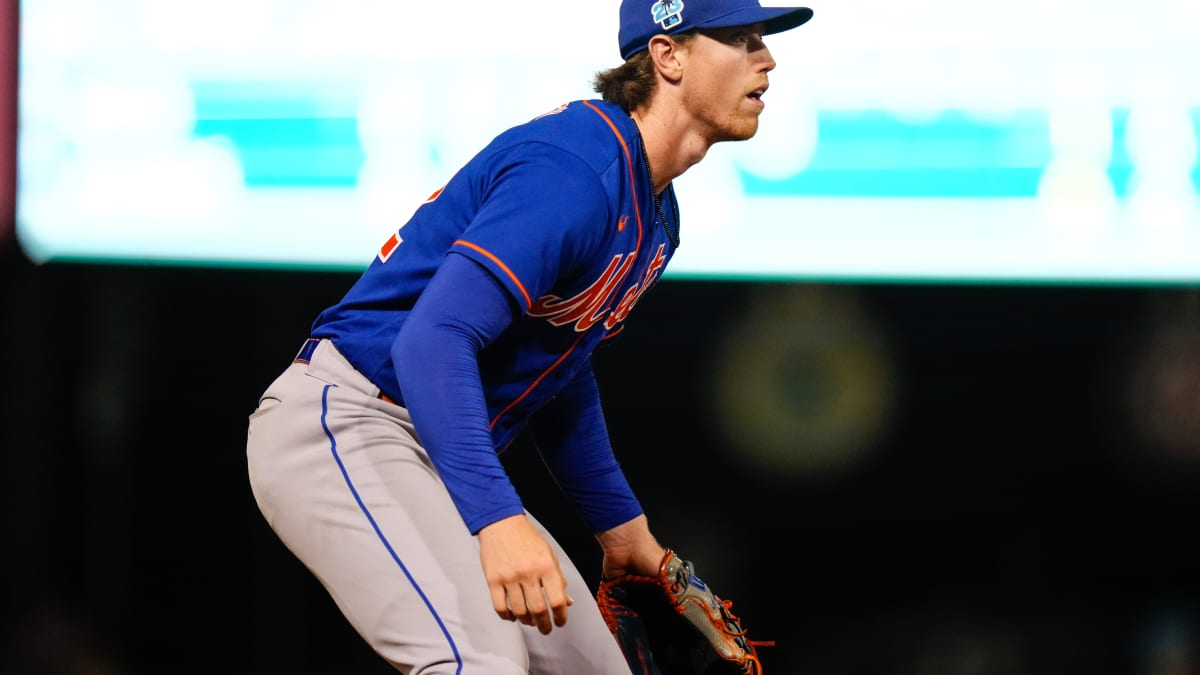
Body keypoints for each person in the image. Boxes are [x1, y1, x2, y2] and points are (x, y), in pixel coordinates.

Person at [245, 0, 814, 672]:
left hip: (435, 447)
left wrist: (623, 530)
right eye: (742, 39)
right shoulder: (575, 170)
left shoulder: (655, 213)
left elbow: (559, 371)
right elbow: (431, 341)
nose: (767, 58)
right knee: (478, 663)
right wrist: (496, 517)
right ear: (668, 55)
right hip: (348, 422)